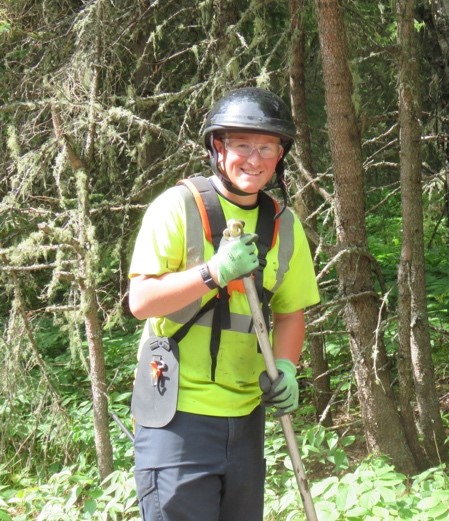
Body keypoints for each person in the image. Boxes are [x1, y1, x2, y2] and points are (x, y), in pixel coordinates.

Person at [127, 87, 320, 521]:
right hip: (175, 417)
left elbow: (291, 312)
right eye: (241, 145)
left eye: (266, 147)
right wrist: (212, 272)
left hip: (246, 414)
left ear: (280, 155)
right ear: (218, 146)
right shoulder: (177, 208)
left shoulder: (284, 225)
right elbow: (140, 301)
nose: (254, 159)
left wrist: (286, 366)